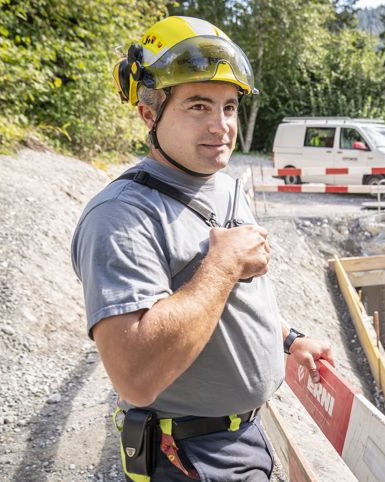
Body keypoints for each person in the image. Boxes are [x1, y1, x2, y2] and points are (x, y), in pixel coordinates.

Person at [70, 16, 334, 481]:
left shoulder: (223, 187)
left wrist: (290, 340)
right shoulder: (120, 216)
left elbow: (235, 306)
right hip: (187, 454)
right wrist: (223, 264)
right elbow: (135, 375)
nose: (221, 126)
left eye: (229, 107)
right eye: (198, 105)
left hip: (241, 438)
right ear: (148, 114)